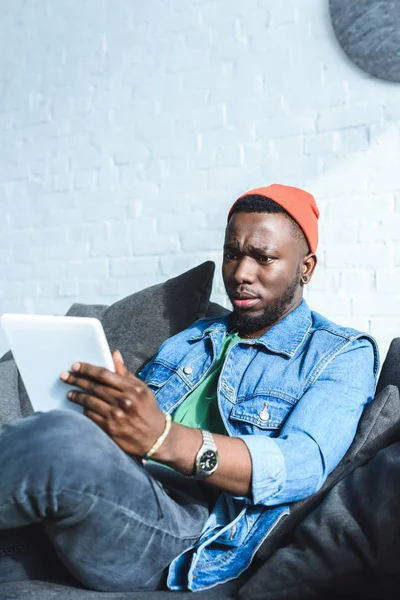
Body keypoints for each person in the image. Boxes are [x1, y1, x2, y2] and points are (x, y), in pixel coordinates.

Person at [0, 184, 379, 592]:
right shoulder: (195, 336)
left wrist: (165, 439)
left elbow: (303, 463)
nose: (240, 274)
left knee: (59, 437)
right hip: (116, 488)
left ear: (306, 267)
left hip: (184, 532)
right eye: (232, 254)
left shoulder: (340, 352)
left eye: (263, 258)